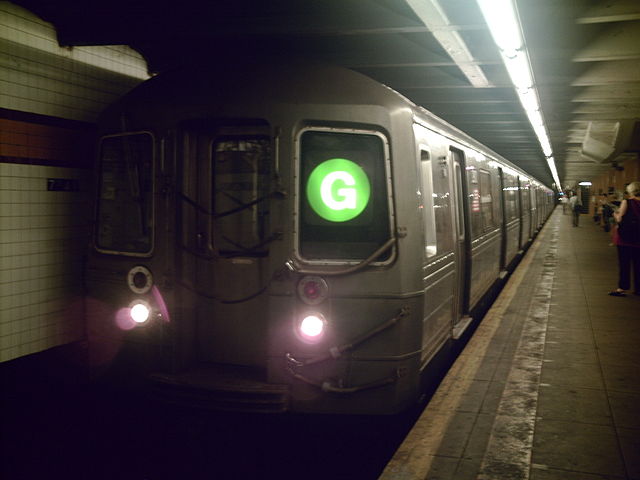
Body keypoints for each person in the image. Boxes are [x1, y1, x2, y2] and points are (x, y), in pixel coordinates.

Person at [609, 181, 640, 296]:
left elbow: (620, 219)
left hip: (625, 239)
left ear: (631, 191)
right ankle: (638, 289)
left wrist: (615, 214)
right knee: (638, 264)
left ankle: (622, 288)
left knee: (624, 264)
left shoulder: (627, 202)